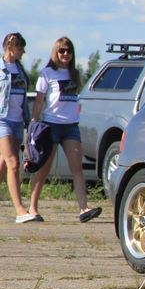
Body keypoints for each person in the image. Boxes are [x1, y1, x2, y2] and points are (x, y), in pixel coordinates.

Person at [27, 37, 101, 223]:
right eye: (62, 50)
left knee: (77, 168)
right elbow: (39, 100)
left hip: (71, 126)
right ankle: (32, 208)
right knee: (44, 168)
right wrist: (33, 125)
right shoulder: (47, 73)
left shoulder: (74, 73)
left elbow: (75, 100)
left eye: (68, 50)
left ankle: (84, 208)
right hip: (51, 125)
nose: (65, 54)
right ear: (56, 52)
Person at [0, 32, 37, 223]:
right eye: (20, 47)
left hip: (17, 121)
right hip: (2, 120)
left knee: (4, 165)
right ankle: (20, 210)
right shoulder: (1, 69)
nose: (23, 51)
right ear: (10, 47)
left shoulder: (20, 70)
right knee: (13, 163)